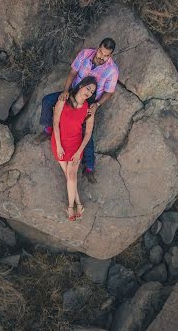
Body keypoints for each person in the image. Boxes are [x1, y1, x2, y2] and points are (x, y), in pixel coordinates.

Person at [40, 37, 119, 184]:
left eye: (106, 55)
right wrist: (65, 91)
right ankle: (49, 128)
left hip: (89, 102)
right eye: (101, 52)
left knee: (86, 132)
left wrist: (97, 105)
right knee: (47, 101)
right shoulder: (85, 54)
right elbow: (72, 72)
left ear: (111, 55)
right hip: (73, 93)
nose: (102, 57)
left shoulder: (112, 70)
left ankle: (89, 167)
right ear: (98, 48)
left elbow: (109, 92)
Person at [51, 76, 97, 222]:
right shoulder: (63, 100)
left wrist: (78, 152)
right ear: (81, 85)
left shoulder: (88, 110)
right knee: (68, 175)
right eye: (88, 88)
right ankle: (79, 204)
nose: (89, 93)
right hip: (60, 141)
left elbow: (88, 133)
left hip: (75, 145)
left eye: (92, 92)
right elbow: (55, 123)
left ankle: (71, 207)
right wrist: (58, 145)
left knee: (70, 175)